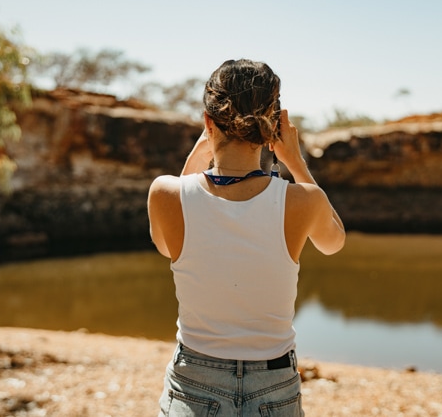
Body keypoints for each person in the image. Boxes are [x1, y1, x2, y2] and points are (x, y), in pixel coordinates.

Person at [148, 59, 345, 416]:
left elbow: (169, 246)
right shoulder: (302, 200)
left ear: (208, 122)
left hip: (195, 380)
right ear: (274, 129)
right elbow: (334, 241)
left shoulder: (165, 194)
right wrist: (296, 162)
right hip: (274, 384)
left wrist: (200, 151)